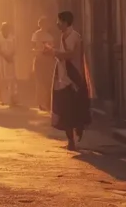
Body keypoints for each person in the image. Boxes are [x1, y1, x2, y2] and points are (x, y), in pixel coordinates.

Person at [42, 10, 93, 150]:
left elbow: (70, 55)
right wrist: (54, 52)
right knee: (64, 112)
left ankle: (78, 130)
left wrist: (54, 52)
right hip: (63, 78)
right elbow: (63, 55)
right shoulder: (64, 35)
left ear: (65, 22)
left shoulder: (75, 36)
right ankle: (70, 141)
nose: (57, 24)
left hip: (74, 79)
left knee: (74, 110)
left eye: (59, 21)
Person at [31, 17, 55, 111]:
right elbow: (32, 48)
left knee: (47, 82)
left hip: (46, 60)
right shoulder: (36, 35)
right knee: (40, 81)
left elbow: (51, 49)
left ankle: (47, 102)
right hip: (39, 59)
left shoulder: (49, 37)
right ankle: (41, 103)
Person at [0, 22, 17, 105]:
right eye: (4, 28)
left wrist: (10, 56)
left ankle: (11, 98)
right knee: (2, 79)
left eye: (7, 28)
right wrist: (4, 56)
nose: (5, 30)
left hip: (10, 60)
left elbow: (15, 49)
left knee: (11, 79)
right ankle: (1, 98)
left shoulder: (12, 38)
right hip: (1, 60)